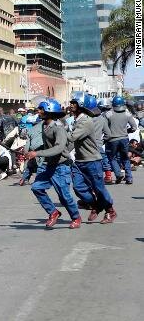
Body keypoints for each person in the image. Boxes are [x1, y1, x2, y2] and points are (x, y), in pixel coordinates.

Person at [24, 99, 82, 229]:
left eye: (41, 109)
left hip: (61, 166)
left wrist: (37, 153)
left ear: (49, 112)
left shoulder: (58, 127)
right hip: (48, 165)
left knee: (64, 196)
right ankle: (53, 212)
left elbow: (59, 148)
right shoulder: (44, 125)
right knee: (36, 188)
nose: (38, 111)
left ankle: (76, 217)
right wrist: (32, 152)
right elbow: (47, 146)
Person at [66, 95, 116, 224]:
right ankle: (96, 205)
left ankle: (110, 211)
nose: (71, 105)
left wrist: (60, 129)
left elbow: (72, 137)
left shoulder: (85, 121)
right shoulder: (77, 120)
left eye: (74, 103)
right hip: (79, 161)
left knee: (99, 188)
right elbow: (73, 142)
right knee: (78, 187)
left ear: (81, 105)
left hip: (92, 160)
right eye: (71, 102)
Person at [105, 95, 137, 184]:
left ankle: (118, 174)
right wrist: (127, 131)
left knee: (112, 158)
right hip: (124, 139)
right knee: (125, 158)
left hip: (112, 139)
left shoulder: (108, 114)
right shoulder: (127, 114)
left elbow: (105, 127)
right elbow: (134, 127)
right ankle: (129, 178)